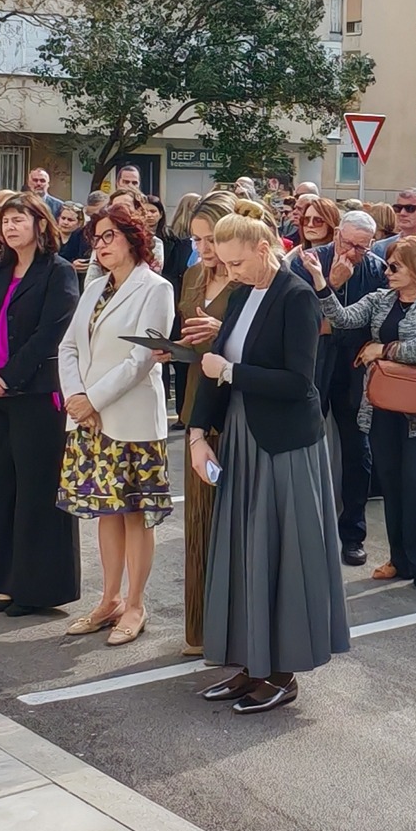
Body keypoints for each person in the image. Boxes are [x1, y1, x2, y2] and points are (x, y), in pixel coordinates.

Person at [189, 213, 351, 714]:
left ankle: (281, 675)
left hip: (284, 445)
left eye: (237, 262)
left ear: (264, 249)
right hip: (243, 436)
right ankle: (249, 664)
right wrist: (197, 433)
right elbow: (215, 365)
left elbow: (299, 382)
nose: (230, 272)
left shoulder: (297, 296)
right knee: (245, 552)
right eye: (224, 263)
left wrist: (231, 372)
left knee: (283, 555)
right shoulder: (242, 294)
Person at [306, 235, 416, 594]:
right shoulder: (381, 299)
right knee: (391, 482)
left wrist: (380, 349)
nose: (387, 272)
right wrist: (322, 282)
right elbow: (342, 318)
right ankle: (399, 559)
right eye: (387, 266)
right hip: (384, 404)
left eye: (394, 266)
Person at [58, 201, 176, 644]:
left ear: (132, 238)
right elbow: (69, 347)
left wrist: (91, 399)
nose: (100, 245)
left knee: (135, 515)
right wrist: (76, 397)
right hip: (90, 420)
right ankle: (108, 599)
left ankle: (135, 604)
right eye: (96, 237)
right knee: (106, 512)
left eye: (109, 236)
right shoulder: (94, 287)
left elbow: (141, 358)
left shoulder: (155, 288)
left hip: (131, 418)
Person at [0, 194, 80, 611]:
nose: (10, 227)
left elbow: (51, 334)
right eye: (5, 221)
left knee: (37, 493)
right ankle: (7, 581)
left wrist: (7, 377)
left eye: (19, 219)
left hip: (35, 395)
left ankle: (39, 589)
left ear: (40, 224)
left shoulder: (58, 271)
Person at [293, 208, 385, 564]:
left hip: (354, 366)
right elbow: (301, 316)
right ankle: (304, 528)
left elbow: (376, 320)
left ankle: (353, 533)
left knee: (357, 449)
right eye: (349, 244)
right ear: (337, 236)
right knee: (304, 442)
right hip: (314, 363)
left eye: (362, 247)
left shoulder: (376, 269)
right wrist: (331, 282)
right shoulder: (308, 262)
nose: (354, 253)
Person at [173, 192, 241, 654]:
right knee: (198, 524)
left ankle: (233, 628)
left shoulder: (246, 278)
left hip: (234, 410)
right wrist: (172, 349)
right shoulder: (194, 274)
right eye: (197, 240)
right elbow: (192, 342)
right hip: (197, 407)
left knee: (231, 524)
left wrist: (221, 333)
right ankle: (199, 629)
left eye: (210, 239)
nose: (203, 249)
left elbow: (257, 345)